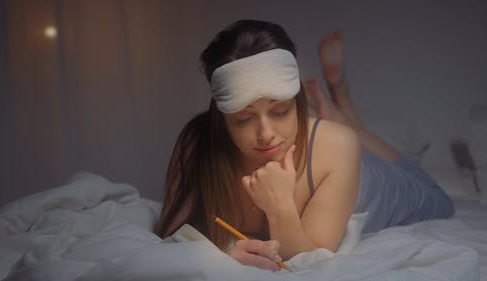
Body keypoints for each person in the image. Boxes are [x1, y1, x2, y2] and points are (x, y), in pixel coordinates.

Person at [155, 19, 454, 271]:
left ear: (298, 104)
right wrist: (228, 248)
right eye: (244, 118)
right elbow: (171, 231)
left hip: (364, 180)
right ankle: (339, 110)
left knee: (436, 195)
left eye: (280, 111)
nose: (266, 134)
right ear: (221, 120)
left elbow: (309, 261)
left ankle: (343, 104)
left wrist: (280, 208)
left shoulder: (336, 145)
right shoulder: (198, 142)